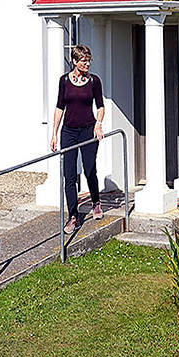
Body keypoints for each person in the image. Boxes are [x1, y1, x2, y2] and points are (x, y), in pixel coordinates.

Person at [49, 44, 106, 233]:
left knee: (89, 170)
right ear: (74, 61)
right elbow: (59, 107)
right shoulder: (64, 81)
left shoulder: (94, 81)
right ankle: (73, 215)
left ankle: (96, 202)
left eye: (89, 60)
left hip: (88, 130)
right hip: (69, 132)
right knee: (69, 175)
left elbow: (100, 106)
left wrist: (98, 124)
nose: (87, 64)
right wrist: (54, 134)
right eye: (84, 61)